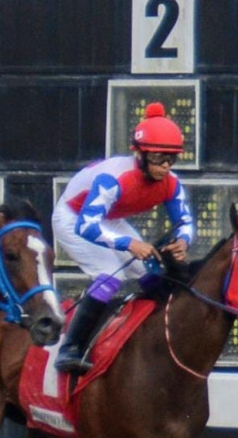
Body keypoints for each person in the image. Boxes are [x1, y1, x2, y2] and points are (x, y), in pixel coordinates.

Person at [51, 102, 195, 374]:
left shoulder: (171, 183)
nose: (164, 167)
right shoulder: (113, 179)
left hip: (110, 219)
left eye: (170, 159)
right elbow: (87, 225)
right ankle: (71, 348)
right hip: (74, 217)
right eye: (157, 159)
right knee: (109, 276)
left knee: (150, 274)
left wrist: (183, 241)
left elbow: (185, 221)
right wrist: (129, 243)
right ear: (139, 155)